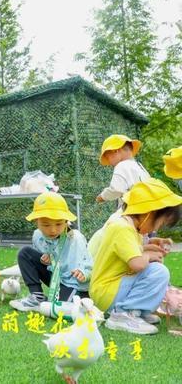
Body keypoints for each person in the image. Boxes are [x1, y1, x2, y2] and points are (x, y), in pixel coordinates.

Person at [91, 178, 181, 335]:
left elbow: (130, 250)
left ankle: (136, 311)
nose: (157, 228)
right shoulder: (122, 228)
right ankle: (124, 314)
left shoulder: (129, 227)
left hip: (110, 290)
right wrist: (149, 256)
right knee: (159, 271)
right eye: (159, 224)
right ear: (148, 213)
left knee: (155, 269)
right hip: (107, 292)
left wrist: (150, 246)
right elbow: (137, 264)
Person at [10, 192, 92, 313]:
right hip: (55, 276)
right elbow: (42, 256)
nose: (52, 230)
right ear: (36, 222)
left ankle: (80, 299)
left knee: (59, 308)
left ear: (66, 221)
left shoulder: (75, 238)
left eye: (59, 224)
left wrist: (83, 273)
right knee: (25, 253)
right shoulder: (37, 235)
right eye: (46, 225)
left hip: (73, 283)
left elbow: (89, 263)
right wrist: (47, 257)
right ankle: (37, 296)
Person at [89, 134, 150, 259]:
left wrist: (102, 196)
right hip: (145, 213)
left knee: (103, 236)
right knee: (138, 242)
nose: (110, 164)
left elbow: (116, 189)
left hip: (130, 212)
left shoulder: (122, 166)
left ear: (115, 151)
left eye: (108, 157)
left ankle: (88, 263)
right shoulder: (139, 167)